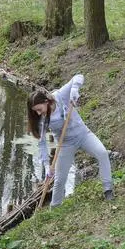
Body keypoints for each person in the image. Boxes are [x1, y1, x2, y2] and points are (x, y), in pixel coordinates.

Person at [27, 73, 114, 207]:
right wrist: (46, 165)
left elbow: (79, 76)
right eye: (36, 112)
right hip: (65, 144)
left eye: (39, 109)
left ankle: (108, 189)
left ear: (46, 102)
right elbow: (42, 143)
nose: (38, 113)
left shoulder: (60, 96)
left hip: (83, 135)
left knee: (102, 153)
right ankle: (55, 207)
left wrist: (74, 90)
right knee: (60, 179)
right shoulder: (42, 119)